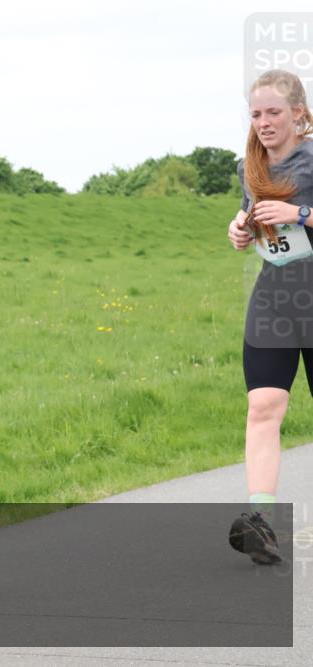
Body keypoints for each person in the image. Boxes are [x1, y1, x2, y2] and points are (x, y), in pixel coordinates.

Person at [226, 69, 312, 565]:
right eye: (256, 113)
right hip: (276, 299)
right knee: (263, 407)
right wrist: (240, 230)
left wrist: (299, 215)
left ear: (298, 114)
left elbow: (292, 219)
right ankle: (261, 521)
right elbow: (252, 220)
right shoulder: (249, 167)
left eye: (273, 111)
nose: (263, 122)